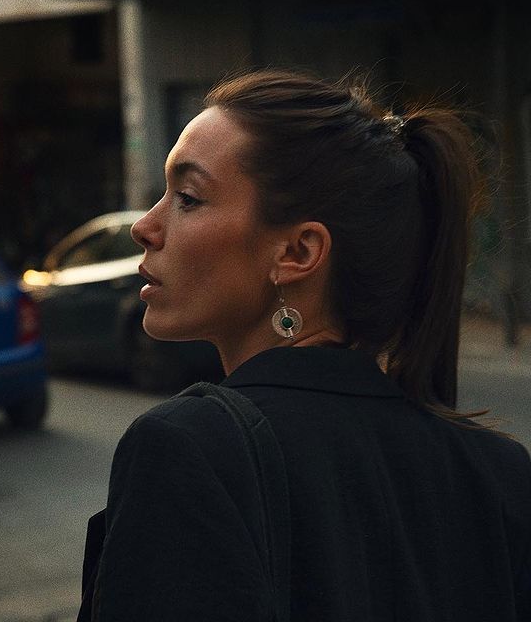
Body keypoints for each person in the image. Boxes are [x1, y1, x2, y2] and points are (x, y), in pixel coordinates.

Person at [77, 70, 531, 621]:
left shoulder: (191, 450)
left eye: (188, 197)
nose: (145, 227)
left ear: (297, 252)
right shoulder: (499, 470)